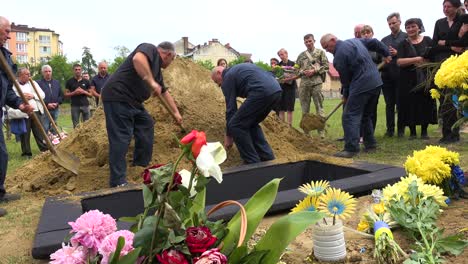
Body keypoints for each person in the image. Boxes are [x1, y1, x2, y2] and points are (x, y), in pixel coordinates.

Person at [101, 42, 182, 188]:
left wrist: (176, 113)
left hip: (134, 102)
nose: (171, 63)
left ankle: (140, 165)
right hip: (118, 96)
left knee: (146, 124)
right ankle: (118, 181)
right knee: (121, 137)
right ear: (168, 54)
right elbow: (137, 59)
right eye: (173, 59)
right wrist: (151, 81)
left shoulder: (156, 71)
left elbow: (164, 92)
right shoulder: (149, 49)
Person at [320, 33, 391, 158]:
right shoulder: (355, 41)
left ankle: (351, 148)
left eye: (327, 47)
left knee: (349, 116)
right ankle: (370, 145)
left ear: (333, 40)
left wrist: (346, 95)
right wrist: (386, 53)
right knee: (365, 115)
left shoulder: (339, 57)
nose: (327, 50)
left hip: (362, 84)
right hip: (376, 83)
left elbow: (346, 81)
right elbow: (374, 42)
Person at [211, 63, 281, 164]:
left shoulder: (227, 77)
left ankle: (252, 163)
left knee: (235, 125)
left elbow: (231, 109)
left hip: (261, 91)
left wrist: (229, 136)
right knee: (250, 123)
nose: (218, 85)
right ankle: (268, 159)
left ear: (219, 72)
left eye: (216, 81)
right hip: (276, 90)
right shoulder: (238, 69)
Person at [0, 16, 34, 208]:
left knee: (2, 155)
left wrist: (20, 104)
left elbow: (6, 90)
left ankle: (0, 192)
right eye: (6, 31)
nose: (9, 35)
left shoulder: (4, 55)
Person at [396, 18, 438, 139]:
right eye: (408, 27)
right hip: (408, 79)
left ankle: (424, 131)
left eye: (413, 26)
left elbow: (434, 56)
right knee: (409, 105)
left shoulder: (428, 40)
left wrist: (426, 62)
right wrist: (417, 59)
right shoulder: (402, 44)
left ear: (419, 27)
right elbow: (399, 61)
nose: (410, 29)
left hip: (425, 78)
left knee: (426, 103)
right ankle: (413, 132)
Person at [432, 0, 464, 143]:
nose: (445, 9)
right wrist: (451, 46)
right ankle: (446, 134)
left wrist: (444, 42)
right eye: (443, 6)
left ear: (457, 8)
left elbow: (462, 44)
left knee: (455, 101)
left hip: (457, 66)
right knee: (443, 100)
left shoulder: (462, 21)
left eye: (448, 6)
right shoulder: (439, 23)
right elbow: (434, 44)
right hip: (441, 65)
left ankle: (455, 134)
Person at [296, 34, 329, 138]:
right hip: (304, 84)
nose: (308, 43)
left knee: (319, 106)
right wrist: (302, 71)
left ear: (314, 41)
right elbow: (296, 69)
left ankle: (321, 131)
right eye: (306, 42)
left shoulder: (320, 52)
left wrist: (315, 70)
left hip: (316, 83)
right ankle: (306, 133)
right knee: (305, 108)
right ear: (304, 43)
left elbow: (326, 66)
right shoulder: (301, 55)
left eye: (310, 41)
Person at [381, 12, 408, 137]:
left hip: (402, 76)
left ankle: (401, 130)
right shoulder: (384, 40)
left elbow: (412, 55)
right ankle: (389, 130)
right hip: (387, 76)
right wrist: (384, 57)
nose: (391, 25)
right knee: (389, 104)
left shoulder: (407, 37)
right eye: (389, 24)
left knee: (401, 103)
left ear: (400, 22)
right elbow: (378, 56)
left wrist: (398, 53)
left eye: (394, 23)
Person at [14, 68, 48, 156]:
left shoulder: (33, 83)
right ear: (20, 75)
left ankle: (44, 149)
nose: (29, 76)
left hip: (35, 110)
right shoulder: (14, 84)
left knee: (39, 131)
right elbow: (12, 96)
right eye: (27, 74)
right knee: (25, 133)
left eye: (29, 74)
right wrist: (22, 97)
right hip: (23, 112)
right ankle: (26, 153)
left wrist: (33, 96)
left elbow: (42, 94)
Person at [36, 64, 63, 134]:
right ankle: (46, 143)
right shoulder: (38, 83)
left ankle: (55, 143)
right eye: (46, 71)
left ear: (51, 72)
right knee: (45, 127)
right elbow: (37, 96)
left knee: (54, 127)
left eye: (49, 71)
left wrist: (57, 103)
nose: (48, 73)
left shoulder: (56, 82)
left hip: (55, 109)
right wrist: (47, 104)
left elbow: (61, 95)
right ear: (42, 73)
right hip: (45, 109)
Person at [277, 48, 298, 126]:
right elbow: (278, 77)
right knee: (281, 108)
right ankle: (282, 126)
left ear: (286, 54)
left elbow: (297, 75)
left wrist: (289, 78)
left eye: (282, 54)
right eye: (279, 55)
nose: (281, 56)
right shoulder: (278, 66)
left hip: (291, 88)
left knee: (289, 108)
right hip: (281, 88)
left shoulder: (293, 64)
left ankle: (289, 126)